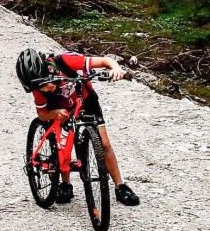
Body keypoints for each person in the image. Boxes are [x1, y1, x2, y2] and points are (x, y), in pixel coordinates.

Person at [16, 48, 140, 206]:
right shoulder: (37, 88)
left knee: (105, 144)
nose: (44, 89)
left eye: (45, 83)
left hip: (86, 101)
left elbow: (103, 61)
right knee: (62, 145)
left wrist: (115, 68)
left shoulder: (65, 61)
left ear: (48, 70)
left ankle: (120, 186)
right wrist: (54, 113)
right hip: (59, 108)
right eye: (40, 88)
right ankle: (65, 184)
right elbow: (42, 114)